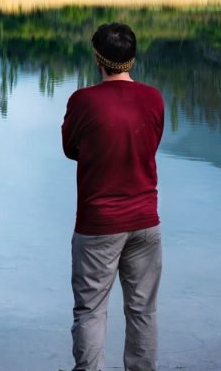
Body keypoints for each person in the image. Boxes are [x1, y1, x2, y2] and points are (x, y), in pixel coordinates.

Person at [61, 22, 164, 371]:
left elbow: (71, 148)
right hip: (146, 221)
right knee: (143, 310)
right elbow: (150, 144)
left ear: (98, 59)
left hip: (99, 225)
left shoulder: (83, 101)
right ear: (132, 59)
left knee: (90, 310)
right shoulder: (153, 98)